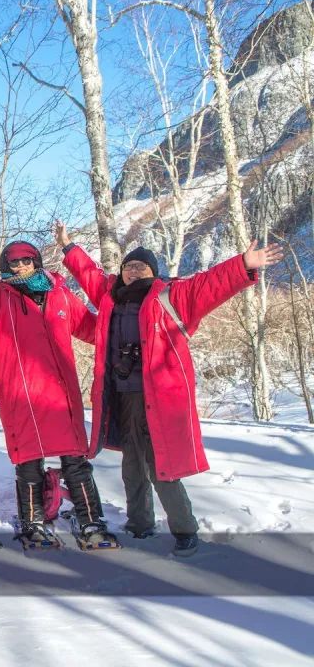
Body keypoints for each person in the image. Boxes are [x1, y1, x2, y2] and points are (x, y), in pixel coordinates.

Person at [56, 221, 284, 556]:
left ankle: (184, 530)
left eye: (141, 266)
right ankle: (139, 525)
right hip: (122, 397)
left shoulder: (170, 296)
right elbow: (89, 274)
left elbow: (209, 285)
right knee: (132, 466)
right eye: (128, 266)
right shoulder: (111, 297)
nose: (133, 271)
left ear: (153, 271)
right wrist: (67, 247)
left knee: (162, 468)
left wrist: (242, 265)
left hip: (159, 400)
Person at [0, 239, 117, 549]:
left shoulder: (59, 295)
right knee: (30, 463)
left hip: (62, 398)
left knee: (76, 462)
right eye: (14, 263)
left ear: (36, 262)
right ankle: (33, 523)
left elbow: (90, 328)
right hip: (22, 398)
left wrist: (124, 328)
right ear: (6, 267)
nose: (20, 267)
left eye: (26, 261)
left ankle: (90, 520)